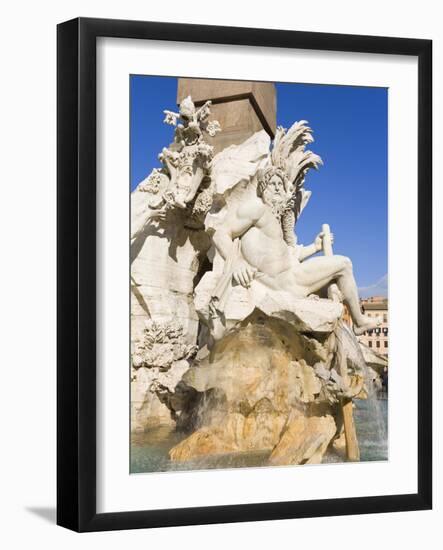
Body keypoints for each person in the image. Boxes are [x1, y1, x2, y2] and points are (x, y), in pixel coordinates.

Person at [212, 168, 381, 336]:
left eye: (280, 184)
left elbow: (288, 256)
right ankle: (359, 322)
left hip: (291, 278)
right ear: (263, 189)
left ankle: (356, 321)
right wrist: (236, 263)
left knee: (340, 271)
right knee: (344, 264)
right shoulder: (256, 208)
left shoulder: (273, 220)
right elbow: (221, 233)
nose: (278, 188)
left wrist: (315, 247)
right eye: (272, 184)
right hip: (284, 282)